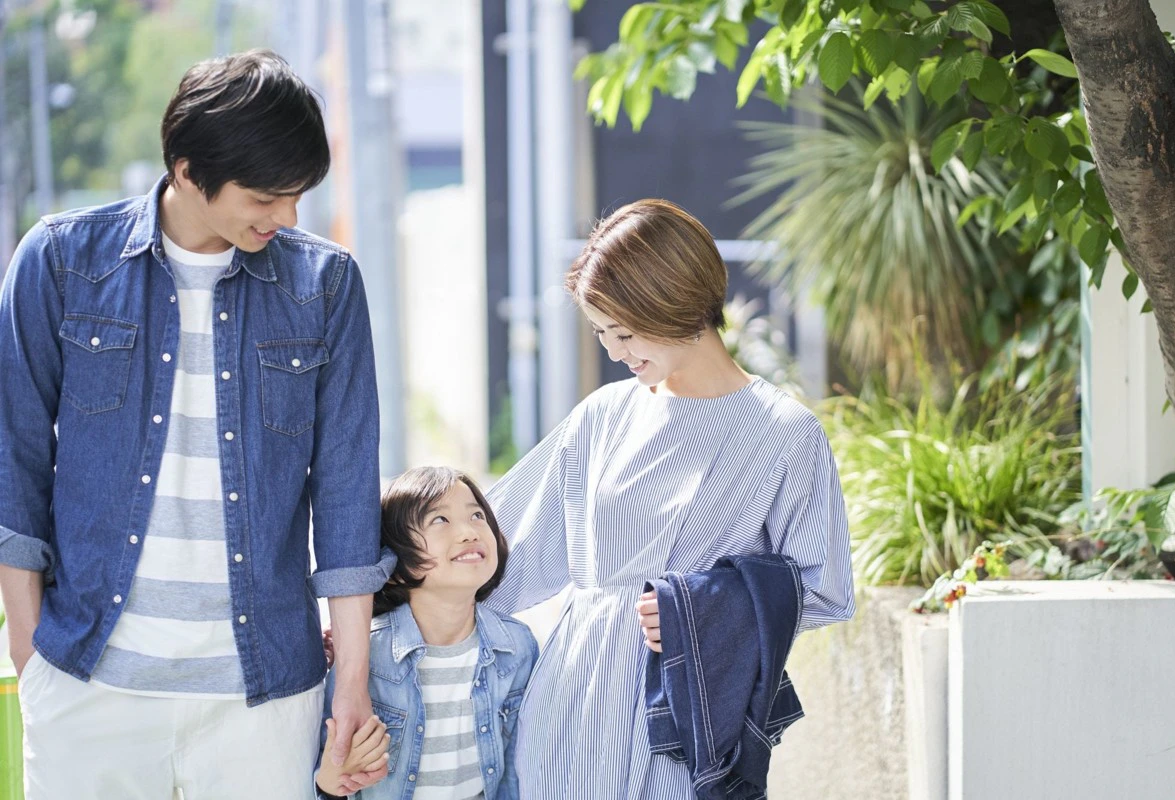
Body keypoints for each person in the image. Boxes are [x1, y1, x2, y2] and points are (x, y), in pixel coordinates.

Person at [0, 49, 391, 798]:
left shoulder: (326, 285)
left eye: (299, 194)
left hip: (264, 698)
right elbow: (10, 460)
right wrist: (29, 649)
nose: (288, 217)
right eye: (267, 196)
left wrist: (351, 688)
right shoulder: (60, 261)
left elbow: (345, 493)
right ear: (186, 169)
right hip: (90, 683)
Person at [483, 198, 856, 798]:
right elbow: (503, 546)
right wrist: (381, 606)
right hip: (572, 699)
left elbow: (825, 587)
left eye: (624, 332)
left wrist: (706, 605)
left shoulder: (785, 431)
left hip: (690, 713)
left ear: (675, 302)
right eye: (602, 333)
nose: (613, 351)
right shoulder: (605, 415)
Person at [316, 467, 537, 799]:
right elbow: (329, 764)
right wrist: (329, 784)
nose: (469, 531)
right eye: (439, 520)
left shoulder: (516, 647)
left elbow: (517, 769)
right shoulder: (365, 655)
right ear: (393, 567)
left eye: (477, 515)